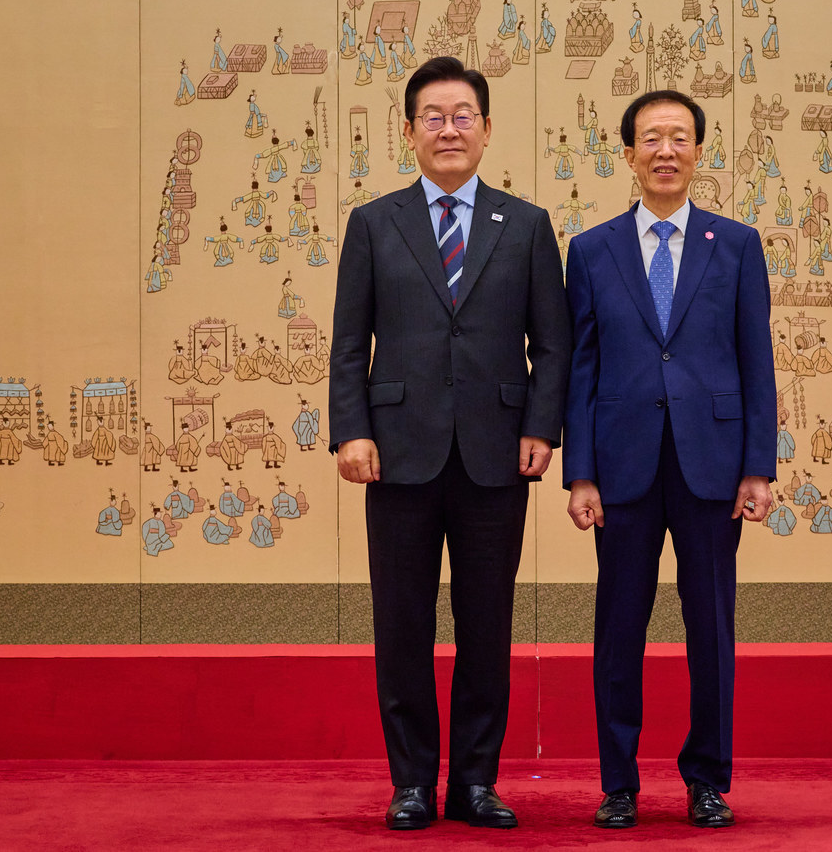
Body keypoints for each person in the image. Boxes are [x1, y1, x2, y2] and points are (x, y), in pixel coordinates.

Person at [330, 57, 571, 831]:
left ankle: (473, 782)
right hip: (397, 452)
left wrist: (541, 426)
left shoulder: (525, 225)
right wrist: (351, 430)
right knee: (402, 623)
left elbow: (553, 345)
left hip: (496, 454)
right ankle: (410, 783)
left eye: (463, 115)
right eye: (432, 117)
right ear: (409, 132)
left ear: (487, 129)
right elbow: (348, 344)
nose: (449, 129)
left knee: (486, 624)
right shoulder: (375, 223)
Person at [564, 90, 777, 830]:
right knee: (618, 627)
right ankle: (618, 783)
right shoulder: (592, 250)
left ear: (698, 152)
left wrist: (758, 466)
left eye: (679, 137)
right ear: (628, 154)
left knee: (711, 628)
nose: (665, 150)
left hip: (711, 465)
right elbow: (581, 369)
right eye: (651, 138)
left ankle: (707, 779)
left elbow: (756, 362)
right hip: (621, 465)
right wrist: (581, 473)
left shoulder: (737, 244)